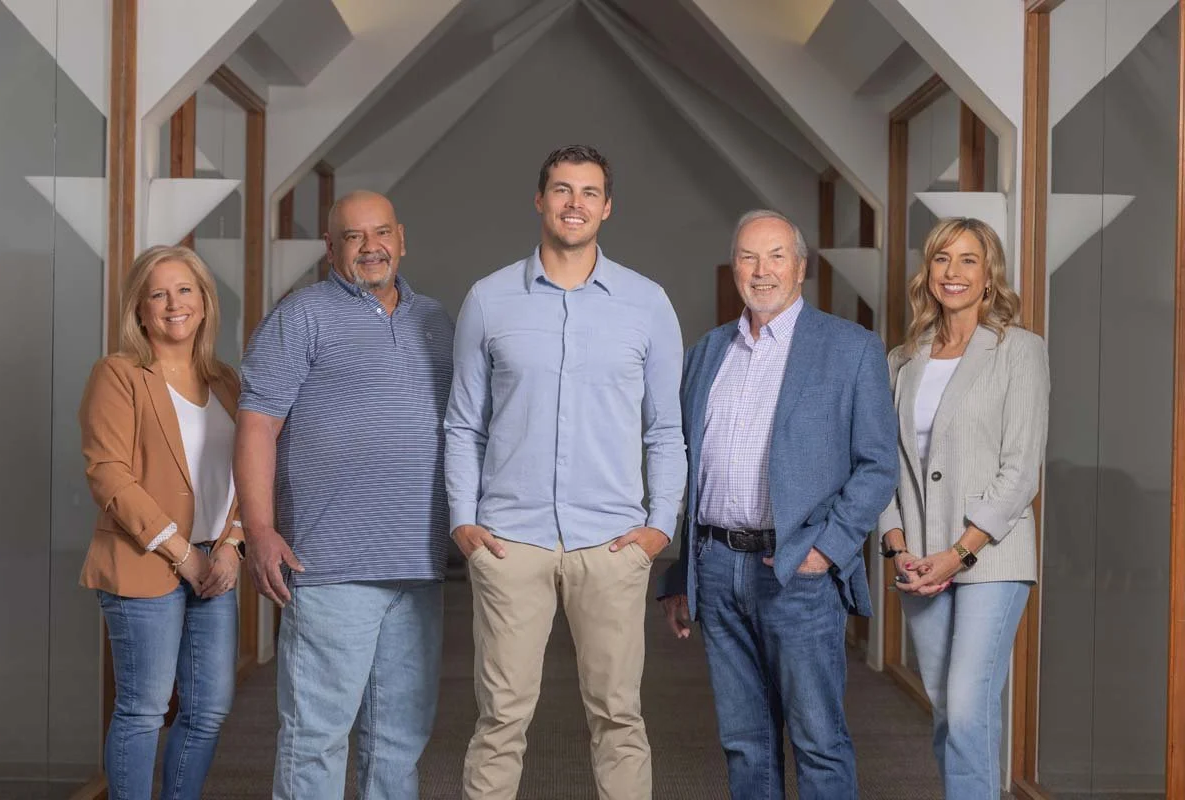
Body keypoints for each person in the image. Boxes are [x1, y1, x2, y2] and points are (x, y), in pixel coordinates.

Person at [445, 144, 686, 799]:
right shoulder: (489, 300)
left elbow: (666, 429)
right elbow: (463, 424)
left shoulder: (647, 304)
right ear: (539, 200)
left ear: (607, 208)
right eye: (561, 189)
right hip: (509, 541)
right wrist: (464, 522)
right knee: (500, 721)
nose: (574, 203)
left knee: (619, 718)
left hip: (611, 544)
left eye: (588, 192)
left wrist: (659, 528)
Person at [659, 210, 898, 799]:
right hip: (717, 568)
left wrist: (827, 550)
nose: (761, 270)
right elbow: (691, 469)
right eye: (748, 257)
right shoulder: (707, 352)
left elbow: (877, 465)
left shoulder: (850, 348)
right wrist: (683, 573)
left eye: (775, 256)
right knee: (745, 741)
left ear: (800, 267)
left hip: (798, 571)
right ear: (734, 267)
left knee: (818, 740)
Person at [235, 191, 454, 799]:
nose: (370, 247)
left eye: (380, 232)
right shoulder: (301, 315)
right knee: (316, 738)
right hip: (331, 566)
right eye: (354, 237)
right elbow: (257, 425)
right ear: (330, 248)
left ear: (401, 238)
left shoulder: (435, 320)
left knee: (400, 740)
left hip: (418, 565)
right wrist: (259, 530)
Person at [879, 217, 1048, 799]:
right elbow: (884, 465)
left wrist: (958, 553)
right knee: (949, 712)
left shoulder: (1019, 351)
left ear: (989, 275)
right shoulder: (903, 360)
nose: (953, 272)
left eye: (968, 260)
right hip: (918, 560)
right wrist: (898, 546)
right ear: (927, 272)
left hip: (990, 556)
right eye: (942, 258)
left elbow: (1021, 470)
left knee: (970, 707)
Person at [79, 245, 244, 800]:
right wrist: (182, 552)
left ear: (205, 301)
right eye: (159, 294)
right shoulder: (119, 374)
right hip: (145, 561)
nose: (174, 304)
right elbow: (108, 474)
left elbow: (248, 474)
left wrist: (232, 544)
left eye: (185, 290)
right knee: (144, 709)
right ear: (140, 309)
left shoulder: (226, 382)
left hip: (214, 565)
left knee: (209, 708)